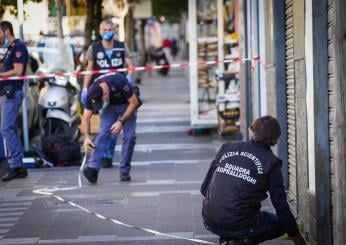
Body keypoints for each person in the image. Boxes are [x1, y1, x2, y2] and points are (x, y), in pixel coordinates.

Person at [200, 115, 306, 245]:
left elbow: (204, 189)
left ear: (252, 131)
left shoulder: (226, 147)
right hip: (239, 223)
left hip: (210, 219)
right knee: (281, 223)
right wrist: (298, 239)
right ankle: (243, 241)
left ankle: (228, 240)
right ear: (276, 138)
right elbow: (281, 206)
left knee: (235, 216)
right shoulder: (271, 163)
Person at [81, 19, 135, 169]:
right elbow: (89, 69)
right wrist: (85, 88)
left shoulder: (122, 47)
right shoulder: (94, 48)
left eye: (109, 29)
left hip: (120, 91)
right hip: (102, 92)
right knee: (107, 124)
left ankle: (107, 154)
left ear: (114, 31)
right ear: (99, 31)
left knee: (118, 124)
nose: (107, 32)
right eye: (104, 30)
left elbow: (131, 66)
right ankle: (106, 154)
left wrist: (129, 78)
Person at [82, 72, 138, 183]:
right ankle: (92, 168)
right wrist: (86, 137)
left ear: (105, 94)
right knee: (103, 134)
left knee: (129, 137)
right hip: (110, 106)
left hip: (127, 104)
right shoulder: (92, 92)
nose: (99, 106)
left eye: (100, 102)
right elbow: (86, 118)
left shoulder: (119, 81)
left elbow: (134, 102)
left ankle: (124, 171)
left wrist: (121, 122)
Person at [0, 21, 29, 182]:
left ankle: (16, 166)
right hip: (6, 93)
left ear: (5, 31)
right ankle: (17, 165)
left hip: (12, 93)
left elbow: (18, 71)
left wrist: (1, 75)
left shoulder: (18, 47)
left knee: (6, 128)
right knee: (9, 129)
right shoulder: (10, 48)